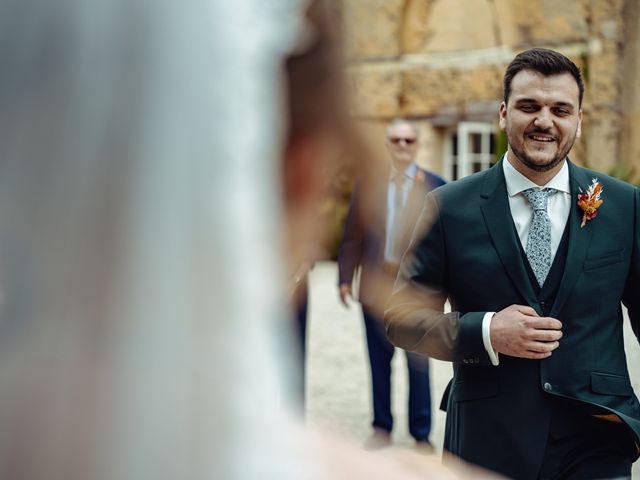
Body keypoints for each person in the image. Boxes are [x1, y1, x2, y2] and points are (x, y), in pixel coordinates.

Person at [385, 47, 640, 479]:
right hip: (489, 438)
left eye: (560, 109)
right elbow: (401, 318)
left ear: (579, 119)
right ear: (504, 114)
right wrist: (486, 331)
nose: (544, 121)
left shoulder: (624, 205)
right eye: (529, 106)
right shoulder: (448, 207)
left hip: (597, 437)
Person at [338, 118, 446, 451]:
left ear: (417, 145)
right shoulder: (368, 184)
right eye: (395, 140)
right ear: (387, 146)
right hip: (375, 283)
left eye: (408, 141)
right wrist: (344, 278)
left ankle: (421, 433)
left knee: (417, 362)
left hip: (416, 289)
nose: (401, 146)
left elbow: (445, 244)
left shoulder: (436, 186)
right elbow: (352, 236)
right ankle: (382, 428)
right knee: (378, 359)